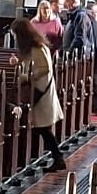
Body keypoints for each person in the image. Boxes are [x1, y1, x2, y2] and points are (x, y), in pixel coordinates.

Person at [10, 15, 63, 168]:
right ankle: (55, 158)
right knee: (42, 128)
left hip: (41, 92)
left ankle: (57, 158)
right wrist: (18, 63)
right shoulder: (32, 48)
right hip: (39, 91)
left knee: (43, 128)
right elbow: (31, 64)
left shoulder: (38, 48)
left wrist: (25, 76)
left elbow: (44, 68)